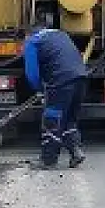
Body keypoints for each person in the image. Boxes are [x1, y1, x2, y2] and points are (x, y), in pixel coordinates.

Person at [23, 22, 89, 169]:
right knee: (68, 119)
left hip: (61, 81)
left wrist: (40, 90)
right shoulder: (61, 35)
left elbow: (31, 74)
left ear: (28, 34)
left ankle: (48, 160)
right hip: (81, 78)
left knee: (51, 119)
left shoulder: (33, 41)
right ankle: (76, 152)